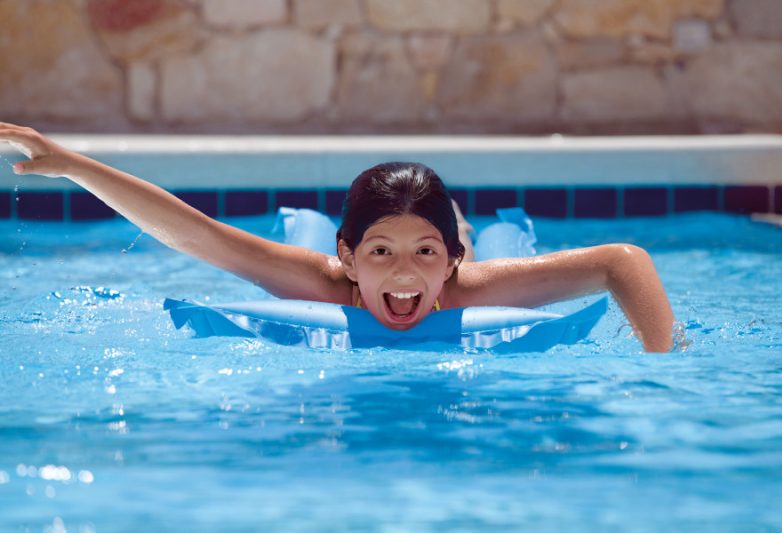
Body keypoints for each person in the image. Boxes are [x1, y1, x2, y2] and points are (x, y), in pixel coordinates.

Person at [0, 122, 675, 351]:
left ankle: (461, 221)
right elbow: (194, 234)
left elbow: (624, 260)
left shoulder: (473, 282)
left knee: (496, 236)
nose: (406, 277)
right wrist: (69, 164)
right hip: (349, 249)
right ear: (348, 258)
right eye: (380, 253)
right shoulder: (324, 279)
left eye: (427, 255)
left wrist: (664, 364)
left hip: (467, 245)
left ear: (451, 263)